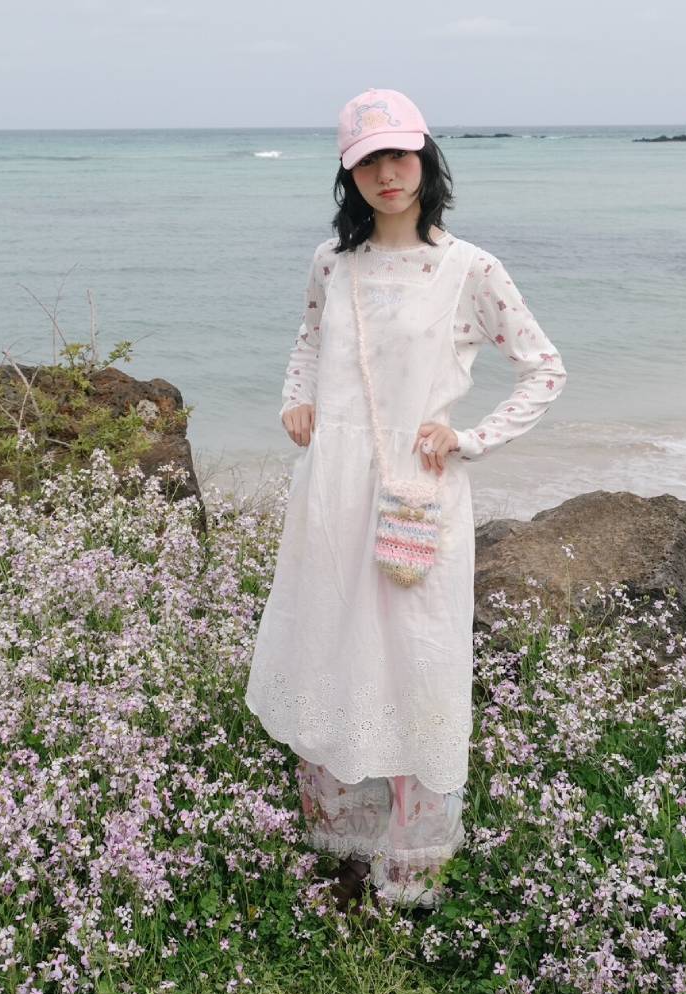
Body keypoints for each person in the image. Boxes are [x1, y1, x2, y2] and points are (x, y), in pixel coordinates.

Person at [244, 87, 567, 912]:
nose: (388, 174)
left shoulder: (470, 268)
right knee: (332, 645)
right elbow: (308, 341)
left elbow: (544, 369)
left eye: (400, 155)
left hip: (417, 493)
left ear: (425, 158)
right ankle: (343, 843)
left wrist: (469, 438)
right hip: (332, 490)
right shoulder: (332, 262)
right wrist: (295, 400)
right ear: (348, 173)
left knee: (417, 662)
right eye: (369, 161)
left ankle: (411, 865)